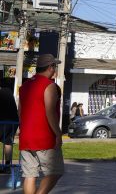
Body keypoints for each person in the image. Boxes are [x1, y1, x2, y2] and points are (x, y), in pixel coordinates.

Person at [18, 54, 65, 194]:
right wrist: (58, 133)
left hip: (26, 137)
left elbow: (20, 111)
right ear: (50, 68)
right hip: (44, 137)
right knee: (55, 172)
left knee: (29, 175)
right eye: (54, 66)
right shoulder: (49, 86)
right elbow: (50, 112)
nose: (55, 69)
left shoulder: (25, 86)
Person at [0, 78, 19, 172]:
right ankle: (7, 165)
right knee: (8, 142)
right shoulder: (9, 92)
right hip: (13, 122)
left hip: (3, 121)